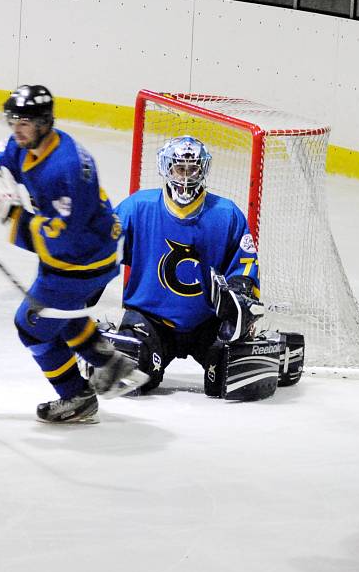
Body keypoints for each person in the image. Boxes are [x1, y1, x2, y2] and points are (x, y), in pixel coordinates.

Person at [0, 84, 147, 423]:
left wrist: (14, 216)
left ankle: (76, 397)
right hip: (78, 254)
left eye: (24, 122)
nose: (16, 129)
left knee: (31, 325)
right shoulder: (24, 142)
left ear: (44, 123)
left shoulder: (66, 168)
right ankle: (112, 364)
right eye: (13, 121)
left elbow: (63, 240)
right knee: (61, 317)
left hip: (84, 260)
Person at [111, 135, 277, 400]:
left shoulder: (227, 213)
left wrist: (238, 297)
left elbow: (245, 267)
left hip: (207, 323)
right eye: (180, 168)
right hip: (150, 320)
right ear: (167, 168)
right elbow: (101, 251)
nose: (186, 176)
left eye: (193, 168)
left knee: (234, 381)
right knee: (129, 377)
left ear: (203, 169)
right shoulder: (136, 208)